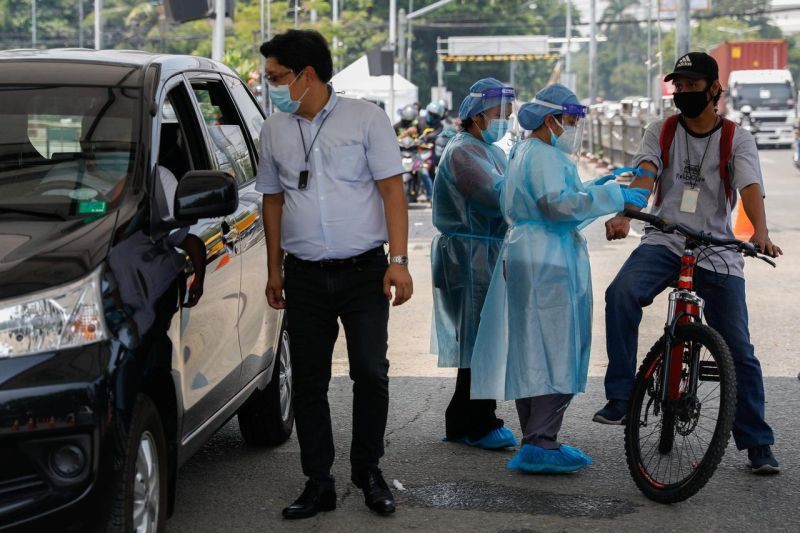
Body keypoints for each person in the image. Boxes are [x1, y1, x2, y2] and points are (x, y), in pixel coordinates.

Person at [594, 52, 783, 475]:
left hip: (718, 247)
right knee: (620, 294)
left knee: (738, 349)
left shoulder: (737, 138)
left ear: (714, 89)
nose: (683, 93)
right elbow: (645, 173)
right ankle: (622, 395)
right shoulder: (660, 130)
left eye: (692, 85)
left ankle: (757, 442)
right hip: (665, 239)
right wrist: (627, 212)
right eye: (678, 85)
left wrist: (761, 233)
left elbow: (750, 185)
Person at [256, 30, 413, 519]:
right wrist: (273, 269)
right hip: (303, 275)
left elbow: (391, 193)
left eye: (277, 77)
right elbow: (273, 200)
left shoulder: (366, 119)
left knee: (370, 372)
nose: (271, 87)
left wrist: (400, 262)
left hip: (364, 271)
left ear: (306, 75)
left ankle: (368, 471)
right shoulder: (274, 130)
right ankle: (318, 481)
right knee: (308, 381)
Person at [469, 84, 651, 473]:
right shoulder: (547, 156)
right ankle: (542, 442)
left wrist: (596, 187)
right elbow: (558, 206)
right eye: (568, 121)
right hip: (548, 262)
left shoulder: (524, 152)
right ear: (551, 120)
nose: (571, 128)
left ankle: (534, 437)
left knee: (528, 349)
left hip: (524, 253)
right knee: (556, 349)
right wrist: (616, 199)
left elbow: (551, 202)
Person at [431, 78, 518, 450]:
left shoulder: (486, 149)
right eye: (501, 115)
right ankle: (478, 422)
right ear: (479, 115)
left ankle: (464, 419)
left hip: (481, 255)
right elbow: (498, 197)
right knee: (480, 344)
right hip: (468, 258)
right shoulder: (464, 152)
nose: (505, 122)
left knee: (479, 344)